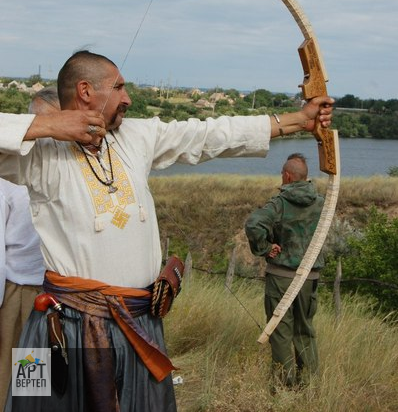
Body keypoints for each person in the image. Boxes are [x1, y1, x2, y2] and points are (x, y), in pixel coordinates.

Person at [0, 51, 333, 411]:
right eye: (120, 87)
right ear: (85, 91)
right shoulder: (41, 155)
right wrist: (48, 127)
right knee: (31, 400)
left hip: (140, 321)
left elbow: (207, 135)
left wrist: (297, 120)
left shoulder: (134, 137)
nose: (128, 97)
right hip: (56, 324)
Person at [0, 87, 60, 410]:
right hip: (15, 293)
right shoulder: (8, 175)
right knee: (8, 376)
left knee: (34, 385)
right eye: (45, 124)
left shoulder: (62, 170)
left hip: (51, 293)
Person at [245, 153, 324, 388]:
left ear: (287, 176)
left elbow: (253, 224)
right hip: (309, 277)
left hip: (282, 277)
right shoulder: (322, 202)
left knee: (280, 332)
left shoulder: (279, 203)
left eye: (282, 174)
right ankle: (309, 386)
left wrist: (266, 248)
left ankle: (284, 387)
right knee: (305, 330)